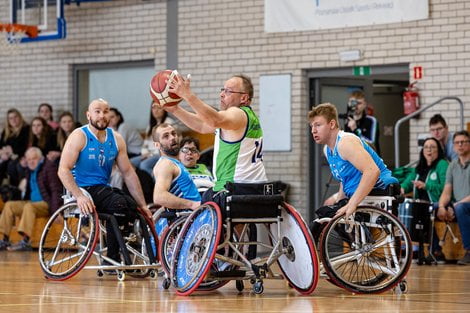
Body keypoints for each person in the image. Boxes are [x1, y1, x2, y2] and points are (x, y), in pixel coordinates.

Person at [58, 98, 151, 262]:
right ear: (88, 115)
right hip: (81, 189)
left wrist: (143, 205)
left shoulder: (116, 139)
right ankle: (114, 257)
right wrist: (79, 196)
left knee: (131, 206)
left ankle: (118, 251)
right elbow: (62, 170)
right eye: (97, 111)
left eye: (106, 111)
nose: (102, 115)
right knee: (119, 204)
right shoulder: (79, 136)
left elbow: (128, 173)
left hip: (102, 189)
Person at [165, 73, 267, 205]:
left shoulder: (239, 113)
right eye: (222, 90)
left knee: (195, 201)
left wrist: (188, 95)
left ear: (243, 98)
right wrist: (175, 109)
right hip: (256, 188)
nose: (222, 94)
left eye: (228, 91)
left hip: (235, 189)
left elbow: (215, 120)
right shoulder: (241, 119)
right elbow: (201, 125)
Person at [308, 103, 398, 224]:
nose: (313, 130)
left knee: (326, 219)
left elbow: (372, 171)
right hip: (359, 193)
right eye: (312, 126)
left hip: (379, 188)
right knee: (325, 213)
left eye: (318, 125)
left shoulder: (345, 143)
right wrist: (338, 202)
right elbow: (344, 179)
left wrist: (352, 204)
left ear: (332, 124)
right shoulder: (327, 149)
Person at [0, 147, 62, 251]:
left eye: (33, 159)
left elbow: (56, 191)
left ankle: (25, 241)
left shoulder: (49, 167)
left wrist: (56, 212)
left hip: (47, 203)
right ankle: (4, 239)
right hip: (33, 202)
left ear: (40, 158)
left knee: (29, 207)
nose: (31, 162)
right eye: (28, 159)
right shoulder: (29, 170)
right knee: (9, 205)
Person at [436, 130, 470, 265]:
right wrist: (441, 206)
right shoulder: (452, 165)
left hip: (463, 205)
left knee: (460, 208)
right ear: (454, 146)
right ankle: (436, 252)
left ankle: (469, 251)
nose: (460, 145)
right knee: (431, 208)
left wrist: (456, 206)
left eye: (463, 142)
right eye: (457, 143)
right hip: (459, 206)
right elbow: (447, 191)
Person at [152, 124, 201, 210]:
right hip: (188, 217)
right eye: (166, 136)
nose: (172, 138)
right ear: (157, 145)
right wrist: (192, 204)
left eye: (173, 133)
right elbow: (159, 197)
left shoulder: (175, 163)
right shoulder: (165, 164)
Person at [130, 102, 177, 178]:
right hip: (149, 154)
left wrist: (150, 155)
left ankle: (157, 182)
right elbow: (145, 143)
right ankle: (142, 183)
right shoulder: (150, 125)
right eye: (153, 108)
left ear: (164, 110)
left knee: (144, 165)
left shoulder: (169, 123)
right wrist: (145, 154)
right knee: (130, 163)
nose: (155, 110)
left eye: (159, 108)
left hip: (162, 153)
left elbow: (168, 144)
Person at [400, 137, 448, 202]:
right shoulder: (420, 166)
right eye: (426, 147)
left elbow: (446, 188)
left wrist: (426, 186)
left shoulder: (442, 164)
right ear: (422, 151)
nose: (429, 150)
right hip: (420, 203)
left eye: (432, 147)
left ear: (438, 150)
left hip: (437, 203)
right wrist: (402, 188)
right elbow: (408, 182)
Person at [344, 90, 380, 155]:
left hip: (370, 159)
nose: (355, 106)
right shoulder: (347, 120)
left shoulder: (371, 120)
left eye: (359, 103)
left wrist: (355, 130)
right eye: (353, 103)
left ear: (365, 105)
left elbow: (371, 144)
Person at [0, 109, 30, 186]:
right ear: (8, 120)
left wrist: (12, 151)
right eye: (10, 118)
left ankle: (16, 189)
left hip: (21, 155)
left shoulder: (26, 129)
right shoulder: (6, 131)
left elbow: (25, 146)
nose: (13, 120)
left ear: (20, 117)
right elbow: (1, 146)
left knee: (12, 166)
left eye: (15, 117)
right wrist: (3, 152)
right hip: (7, 157)